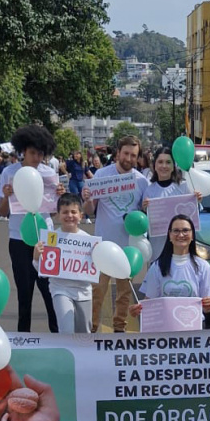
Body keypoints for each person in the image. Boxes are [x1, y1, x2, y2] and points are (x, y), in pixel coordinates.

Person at [0, 124, 63, 333]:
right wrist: (6, 196)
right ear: (23, 152)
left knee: (50, 289)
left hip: (47, 238)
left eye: (40, 154)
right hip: (18, 239)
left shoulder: (49, 173)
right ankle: (23, 339)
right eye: (32, 153)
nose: (36, 158)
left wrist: (58, 197)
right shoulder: (9, 173)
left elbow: (53, 212)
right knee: (24, 293)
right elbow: (2, 211)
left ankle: (58, 336)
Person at [82, 135, 149, 333]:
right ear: (118, 153)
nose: (129, 158)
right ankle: (92, 331)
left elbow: (143, 217)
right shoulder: (101, 176)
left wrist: (146, 209)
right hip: (102, 247)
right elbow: (89, 210)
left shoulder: (142, 182)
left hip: (128, 249)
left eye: (133, 155)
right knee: (97, 292)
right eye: (126, 153)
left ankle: (119, 330)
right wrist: (87, 198)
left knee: (123, 295)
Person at [131, 215, 210, 318]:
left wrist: (208, 305)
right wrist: (137, 310)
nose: (181, 235)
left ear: (192, 235)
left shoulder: (203, 266)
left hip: (193, 328)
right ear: (170, 235)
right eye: (176, 231)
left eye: (185, 230)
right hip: (166, 328)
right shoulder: (157, 266)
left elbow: (206, 307)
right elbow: (150, 301)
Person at [33, 194, 93, 334]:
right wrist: (36, 258)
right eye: (65, 212)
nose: (69, 216)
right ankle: (66, 355)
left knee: (84, 332)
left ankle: (82, 356)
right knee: (66, 330)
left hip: (83, 292)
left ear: (81, 215)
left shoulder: (89, 240)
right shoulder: (51, 238)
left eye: (73, 212)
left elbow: (95, 269)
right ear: (58, 215)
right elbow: (43, 270)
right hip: (60, 289)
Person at [142, 147, 202, 262]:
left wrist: (197, 201)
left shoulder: (184, 187)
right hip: (157, 248)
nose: (164, 166)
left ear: (173, 166)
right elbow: (145, 222)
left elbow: (194, 216)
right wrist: (145, 210)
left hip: (181, 247)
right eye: (160, 162)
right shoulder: (149, 191)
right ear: (154, 165)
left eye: (168, 162)